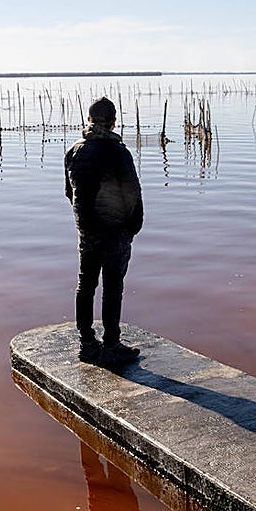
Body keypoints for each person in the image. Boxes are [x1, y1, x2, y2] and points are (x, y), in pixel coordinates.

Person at [65, 96, 144, 365]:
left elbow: (69, 192)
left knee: (85, 284)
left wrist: (84, 222)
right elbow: (133, 195)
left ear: (89, 120)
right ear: (113, 122)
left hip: (86, 232)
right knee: (112, 287)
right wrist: (132, 229)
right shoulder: (118, 152)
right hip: (114, 233)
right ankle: (111, 345)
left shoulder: (74, 151)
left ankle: (86, 343)